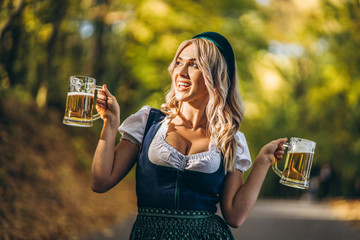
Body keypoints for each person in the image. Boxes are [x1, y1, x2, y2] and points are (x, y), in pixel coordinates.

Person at [92, 31, 287, 239]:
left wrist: (264, 160)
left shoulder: (229, 139)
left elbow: (235, 216)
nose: (181, 72)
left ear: (215, 76)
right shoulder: (147, 122)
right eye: (178, 62)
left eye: (194, 65)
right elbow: (100, 181)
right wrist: (111, 124)